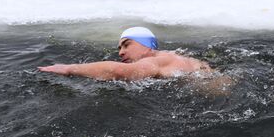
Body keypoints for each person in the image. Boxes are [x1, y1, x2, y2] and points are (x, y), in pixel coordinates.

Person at [38, 27, 211, 81]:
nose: (121, 52)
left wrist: (69, 68)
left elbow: (118, 71)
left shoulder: (157, 61)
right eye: (119, 48)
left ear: (147, 45)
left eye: (127, 45)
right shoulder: (179, 57)